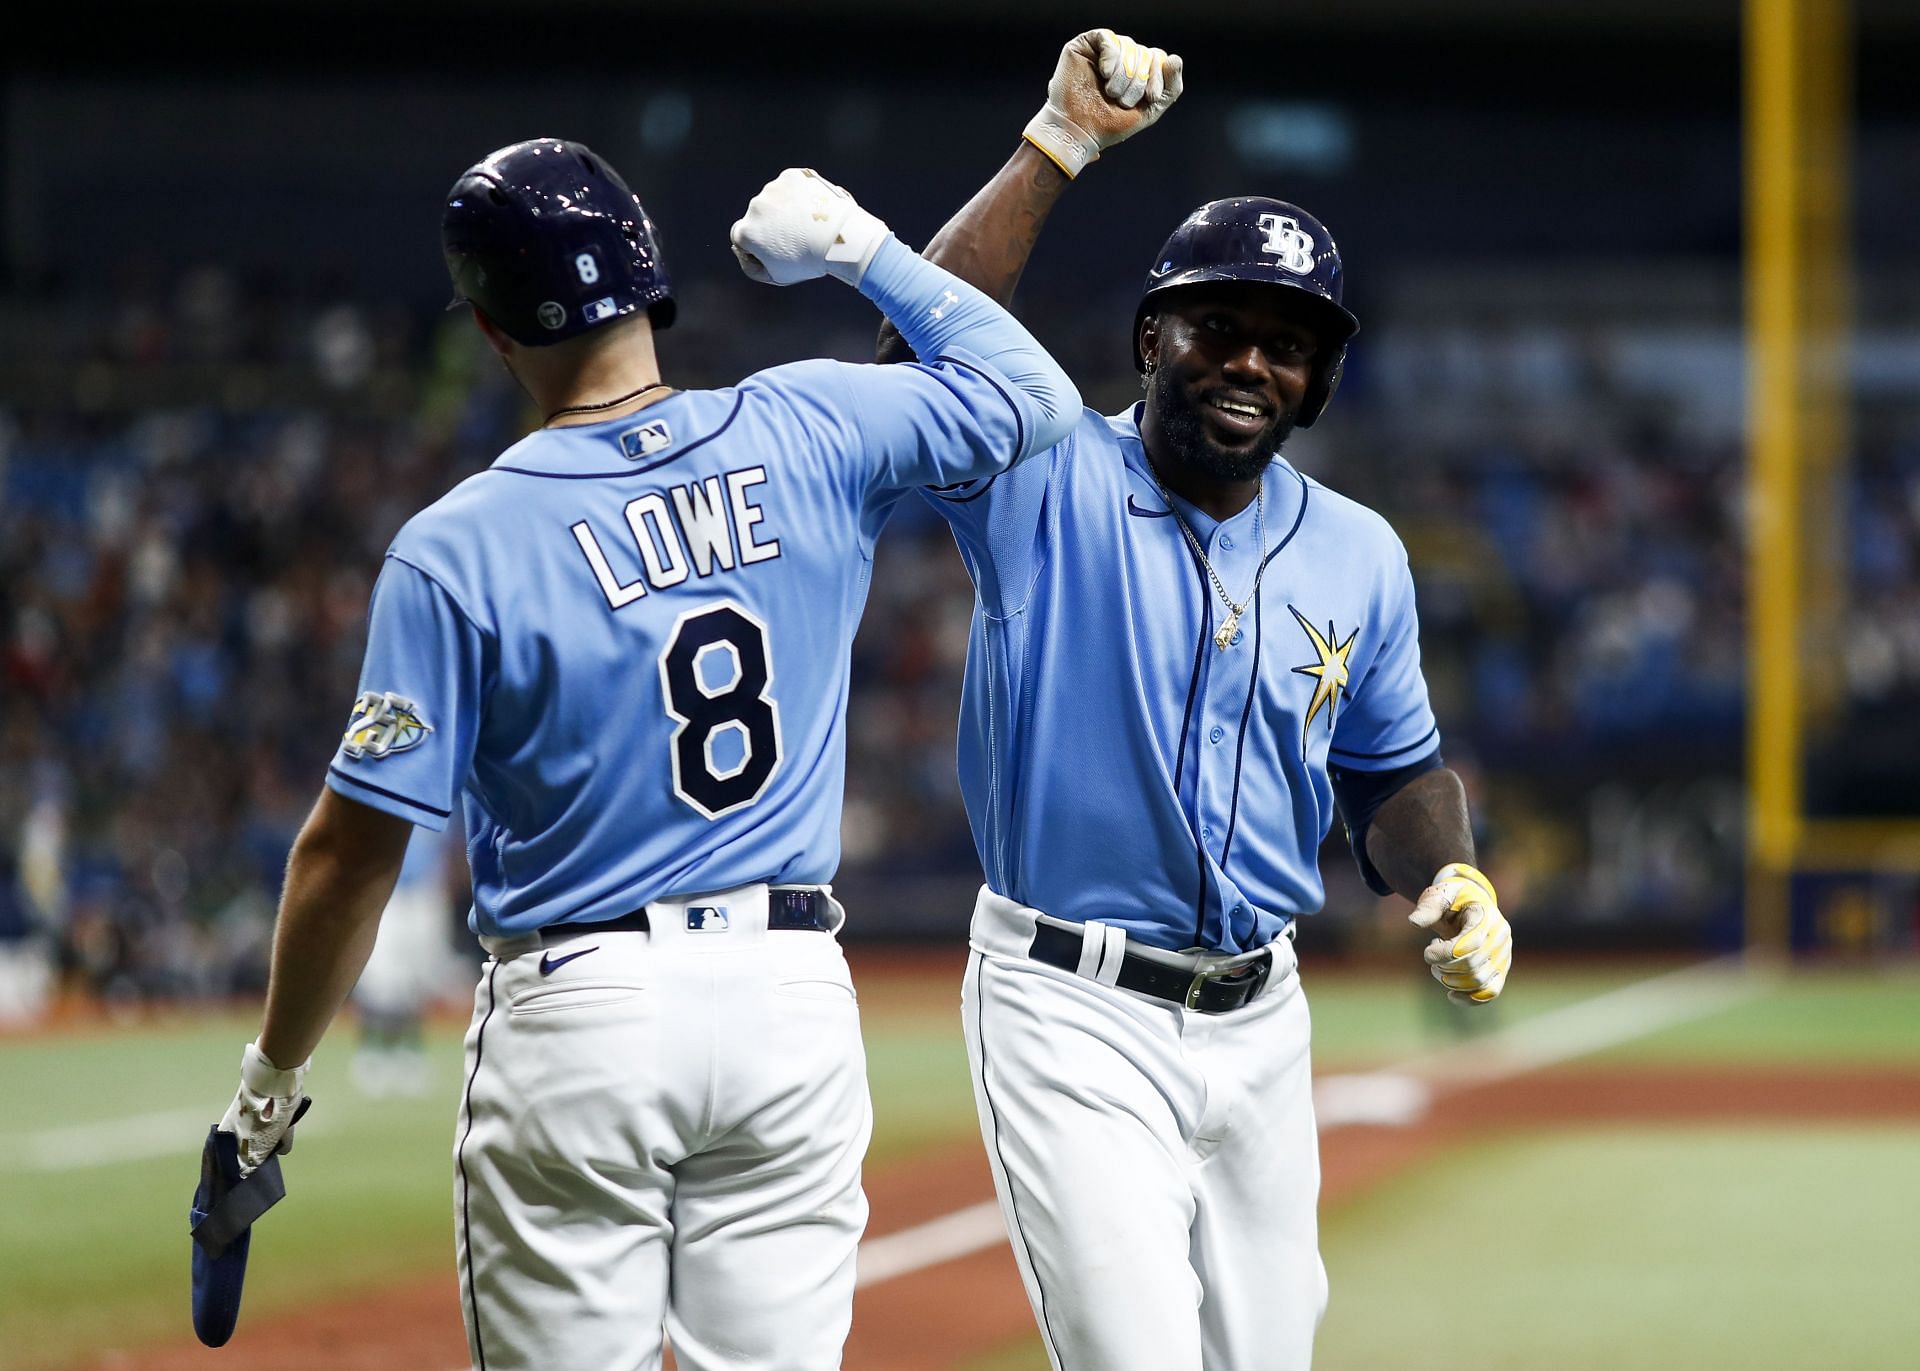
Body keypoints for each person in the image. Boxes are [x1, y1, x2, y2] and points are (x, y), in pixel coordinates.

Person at [208, 140, 1078, 1370]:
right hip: (790, 999)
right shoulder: (812, 421)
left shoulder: (456, 545)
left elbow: (350, 854)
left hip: (583, 1013)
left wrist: (267, 1089)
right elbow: (1034, 396)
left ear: (493, 333)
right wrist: (864, 249)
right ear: (650, 283)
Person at [877, 31, 1515, 1369]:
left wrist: (1451, 875)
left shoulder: (1360, 551)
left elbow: (1393, 769)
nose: (1248, 361)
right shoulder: (1041, 474)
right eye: (1218, 325)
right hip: (1070, 1004)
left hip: (1263, 1015)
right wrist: (1057, 146)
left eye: (1286, 344)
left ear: (1319, 380)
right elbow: (909, 361)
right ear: (1154, 335)